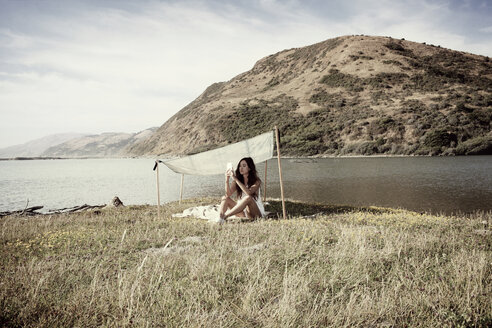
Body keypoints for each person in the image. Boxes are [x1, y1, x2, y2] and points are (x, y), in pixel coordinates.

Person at [219, 157, 265, 221]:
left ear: (249, 168)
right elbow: (228, 194)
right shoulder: (237, 181)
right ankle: (220, 217)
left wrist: (235, 178)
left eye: (244, 166)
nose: (241, 168)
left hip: (254, 212)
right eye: (240, 166)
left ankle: (225, 216)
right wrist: (227, 180)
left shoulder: (256, 181)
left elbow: (249, 192)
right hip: (242, 212)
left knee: (248, 198)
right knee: (225, 198)